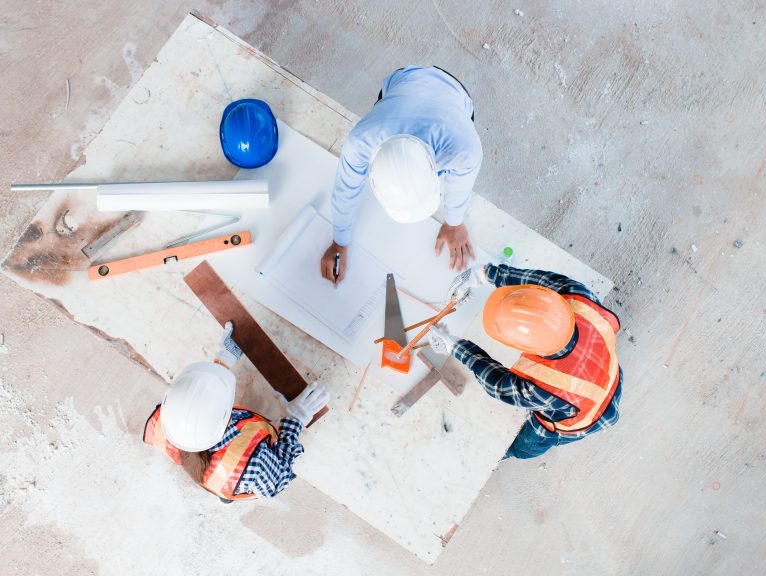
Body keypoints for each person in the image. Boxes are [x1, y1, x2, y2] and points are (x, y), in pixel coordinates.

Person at [428, 264, 623, 459]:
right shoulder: (576, 296)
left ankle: (509, 453)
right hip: (609, 371)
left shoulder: (546, 387)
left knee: (526, 446)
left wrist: (455, 347)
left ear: (529, 348)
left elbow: (498, 384)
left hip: (589, 417)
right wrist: (482, 274)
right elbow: (538, 281)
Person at [320, 66, 482, 284]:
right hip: (403, 80)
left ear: (435, 172)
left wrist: (454, 223)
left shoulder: (463, 147)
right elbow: (345, 189)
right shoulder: (361, 141)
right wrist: (340, 242)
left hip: (455, 93)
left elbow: (460, 185)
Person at [143, 322, 329, 501]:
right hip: (236, 477)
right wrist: (295, 420)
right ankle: (227, 494)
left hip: (212, 473)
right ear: (225, 418)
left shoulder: (175, 416)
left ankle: (223, 492)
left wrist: (224, 357)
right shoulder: (255, 466)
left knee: (221, 486)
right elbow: (279, 478)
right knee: (235, 486)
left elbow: (201, 397)